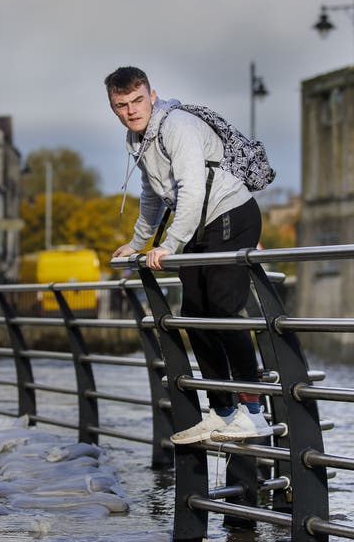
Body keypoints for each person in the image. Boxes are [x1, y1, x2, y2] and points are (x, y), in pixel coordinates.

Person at [106, 66, 272, 444]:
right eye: (121, 105)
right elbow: (152, 194)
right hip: (199, 222)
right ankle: (222, 411)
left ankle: (254, 412)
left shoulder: (176, 126)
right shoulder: (138, 140)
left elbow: (192, 189)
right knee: (194, 317)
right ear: (113, 108)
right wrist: (138, 243)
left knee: (224, 309)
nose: (131, 110)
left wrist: (169, 245)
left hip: (230, 214)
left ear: (152, 94)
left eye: (137, 100)